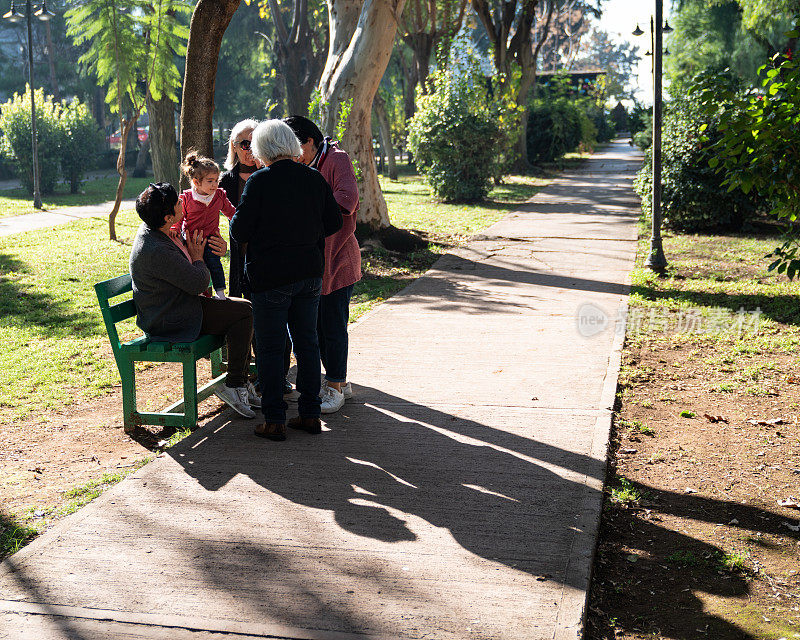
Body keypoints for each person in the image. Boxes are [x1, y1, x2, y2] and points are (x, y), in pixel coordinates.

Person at [230, 120, 342, 441]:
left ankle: (275, 419)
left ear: (263, 149)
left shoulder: (259, 182)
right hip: (308, 273)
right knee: (308, 344)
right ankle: (310, 414)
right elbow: (333, 221)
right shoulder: (314, 178)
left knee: (270, 347)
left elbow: (240, 231)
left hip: (270, 278)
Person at [130, 182, 258, 420]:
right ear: (168, 216)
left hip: (178, 306)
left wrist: (214, 249)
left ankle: (238, 383)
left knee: (244, 309)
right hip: (172, 318)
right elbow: (198, 282)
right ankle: (234, 384)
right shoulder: (157, 248)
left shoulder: (160, 231)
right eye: (178, 203)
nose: (183, 203)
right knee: (244, 312)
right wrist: (199, 257)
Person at [284, 116, 361, 414]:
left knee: (333, 326)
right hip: (315, 260)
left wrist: (306, 206)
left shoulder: (337, 159)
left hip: (339, 258)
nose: (292, 154)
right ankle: (339, 382)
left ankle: (335, 386)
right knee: (315, 327)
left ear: (310, 142)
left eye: (295, 147)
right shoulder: (305, 165)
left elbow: (348, 199)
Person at [221, 120, 294, 396]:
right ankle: (254, 373)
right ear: (234, 148)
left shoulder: (272, 174)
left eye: (254, 142)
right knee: (248, 316)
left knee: (278, 319)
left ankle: (279, 374)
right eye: (243, 143)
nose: (249, 148)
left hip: (272, 260)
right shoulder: (225, 181)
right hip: (241, 263)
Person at [174, 152, 237, 300]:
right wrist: (175, 228)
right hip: (191, 239)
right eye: (210, 181)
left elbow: (231, 212)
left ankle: (220, 293)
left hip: (211, 238)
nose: (215, 185)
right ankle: (199, 292)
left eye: (216, 180)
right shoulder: (187, 198)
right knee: (191, 265)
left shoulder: (219, 195)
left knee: (214, 263)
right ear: (196, 182)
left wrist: (238, 220)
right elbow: (179, 216)